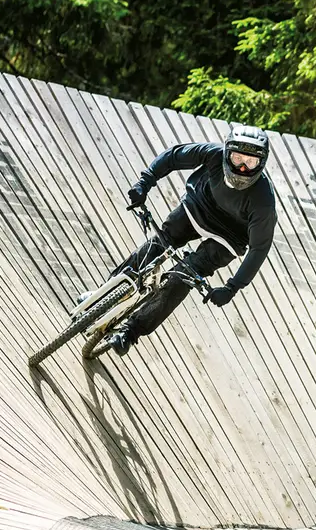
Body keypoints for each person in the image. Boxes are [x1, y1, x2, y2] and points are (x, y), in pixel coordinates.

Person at [99, 123, 277, 356]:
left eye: (250, 163)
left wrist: (232, 288)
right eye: (237, 159)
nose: (242, 168)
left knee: (182, 277)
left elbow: (259, 249)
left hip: (228, 238)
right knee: (160, 243)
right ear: (226, 153)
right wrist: (145, 182)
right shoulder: (213, 154)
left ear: (261, 164)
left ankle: (130, 333)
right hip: (198, 207)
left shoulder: (264, 201)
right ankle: (104, 294)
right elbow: (174, 157)